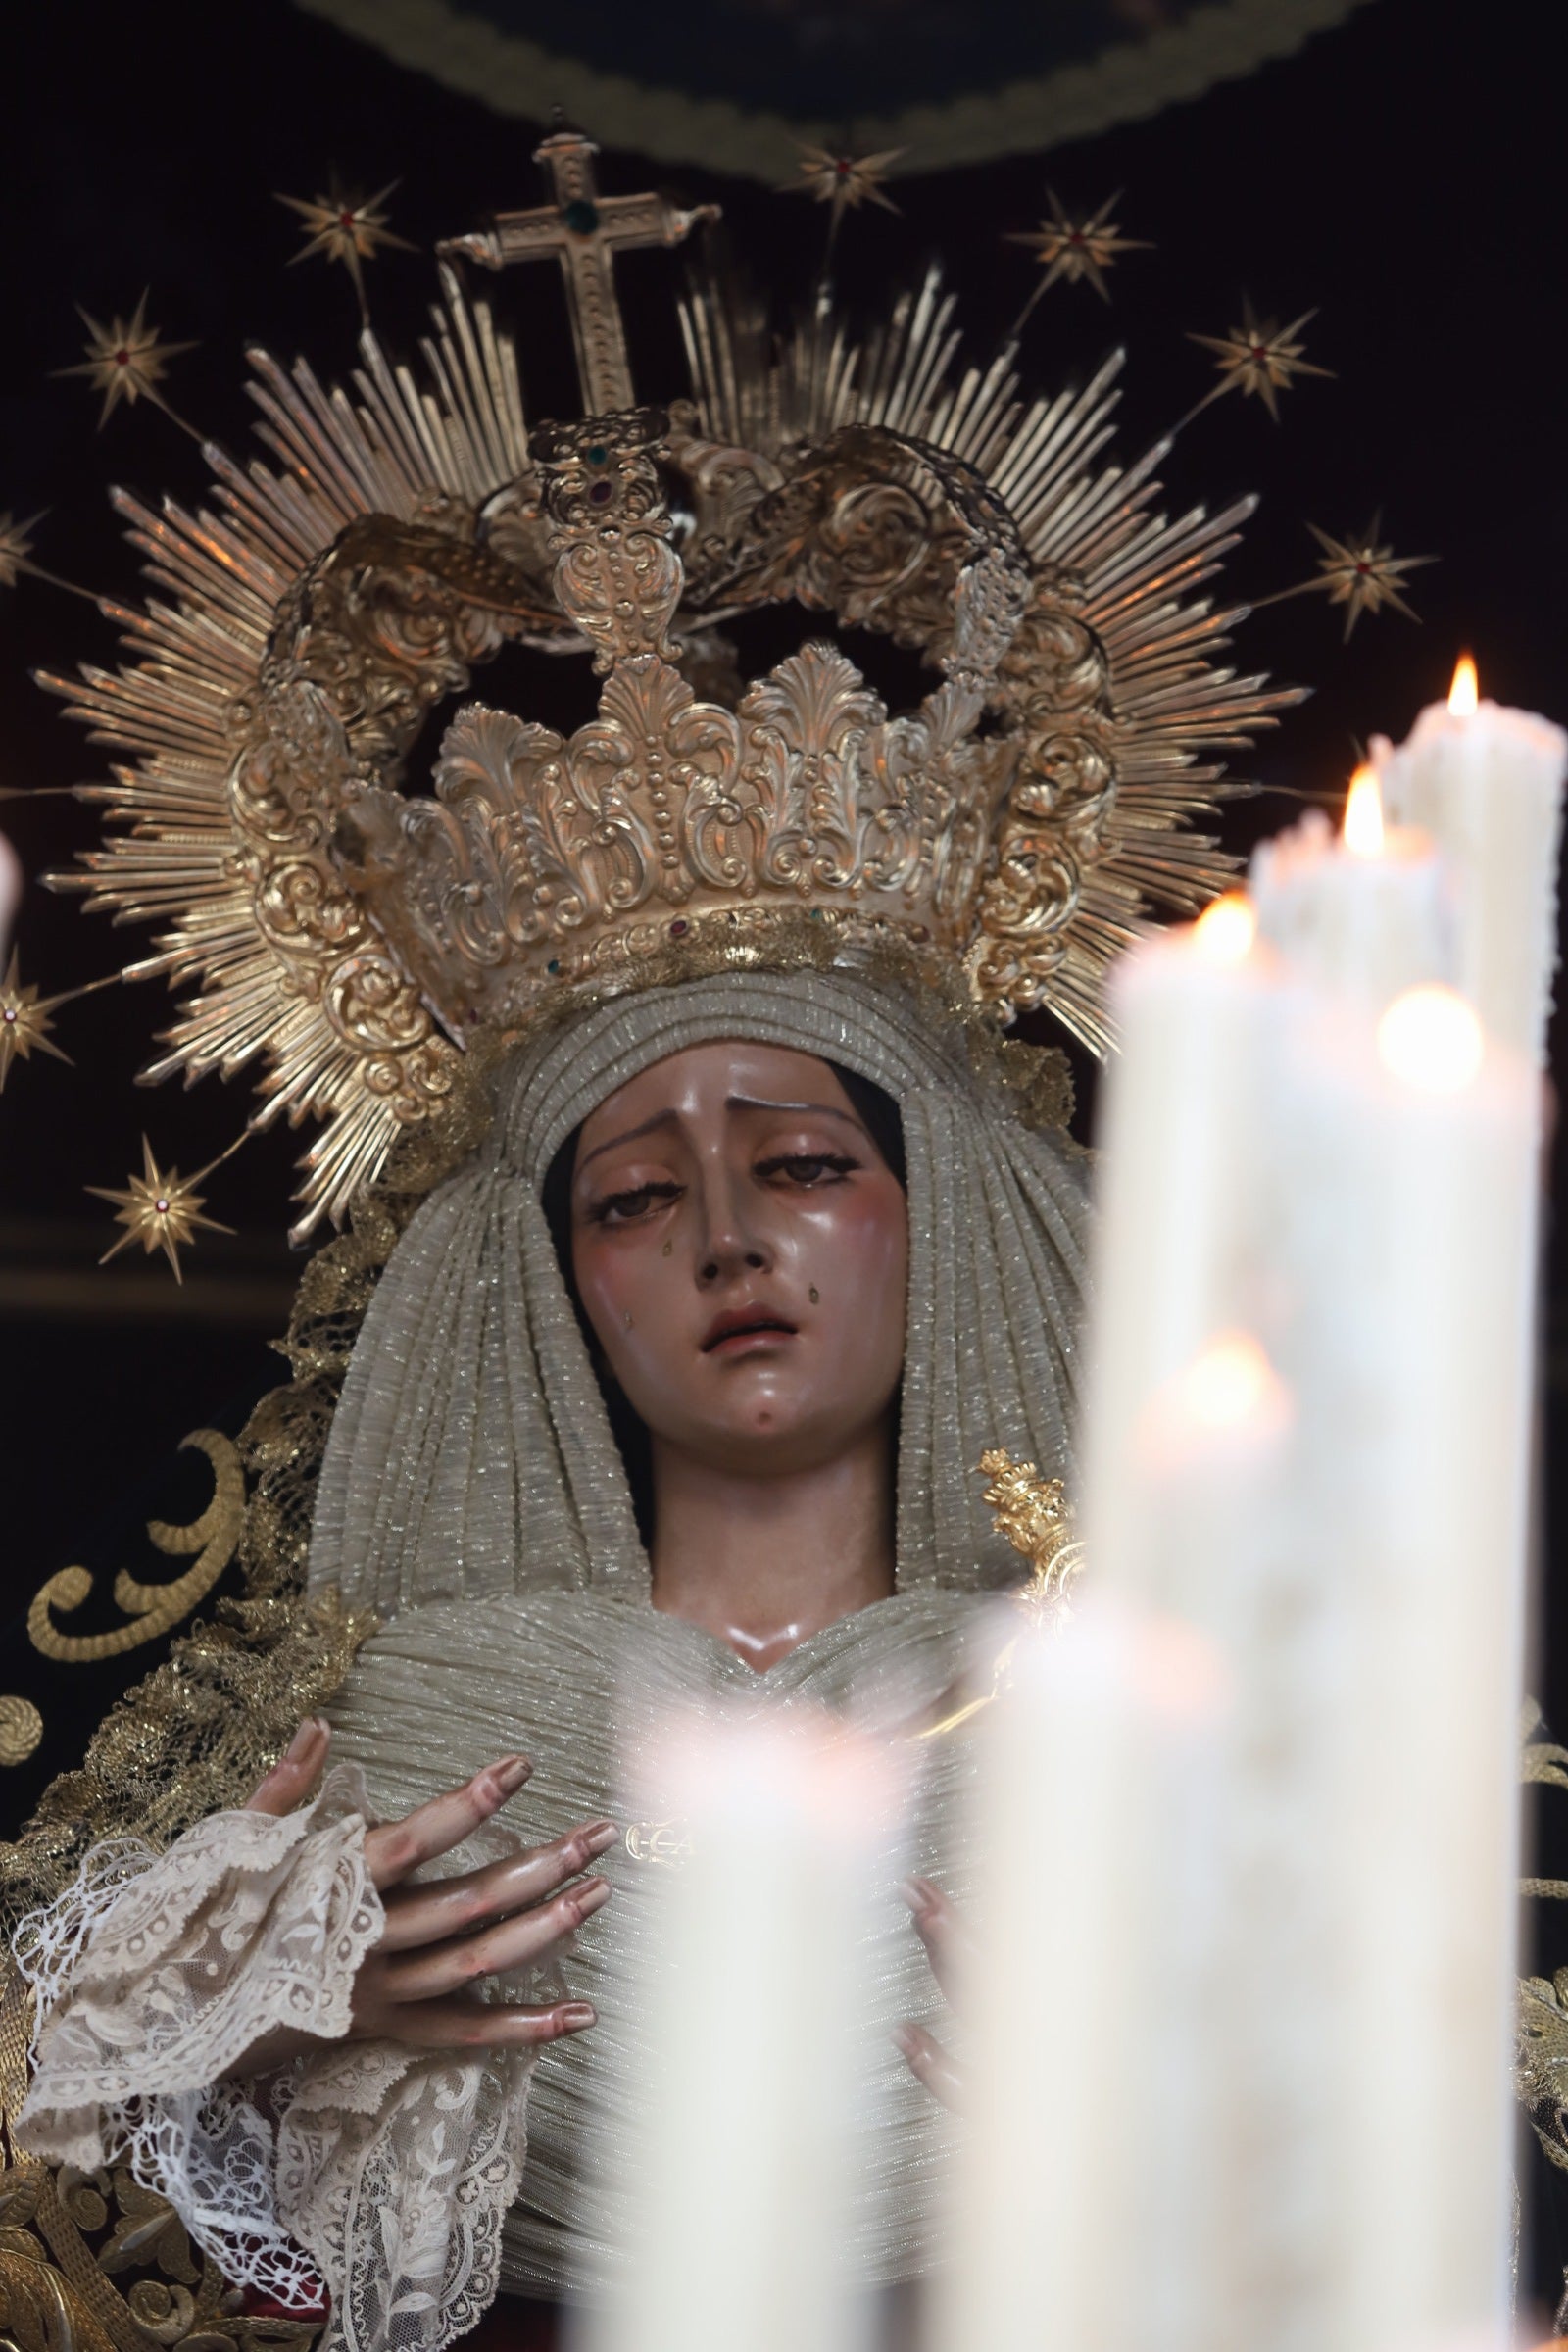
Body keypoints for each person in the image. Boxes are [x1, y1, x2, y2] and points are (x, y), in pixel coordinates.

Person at [13, 956, 1089, 2352]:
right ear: (548, 1275)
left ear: (937, 1205)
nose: (726, 1238)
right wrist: (223, 2036)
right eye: (636, 1198)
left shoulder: (1117, 1705)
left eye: (806, 1166)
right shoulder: (378, 1733)